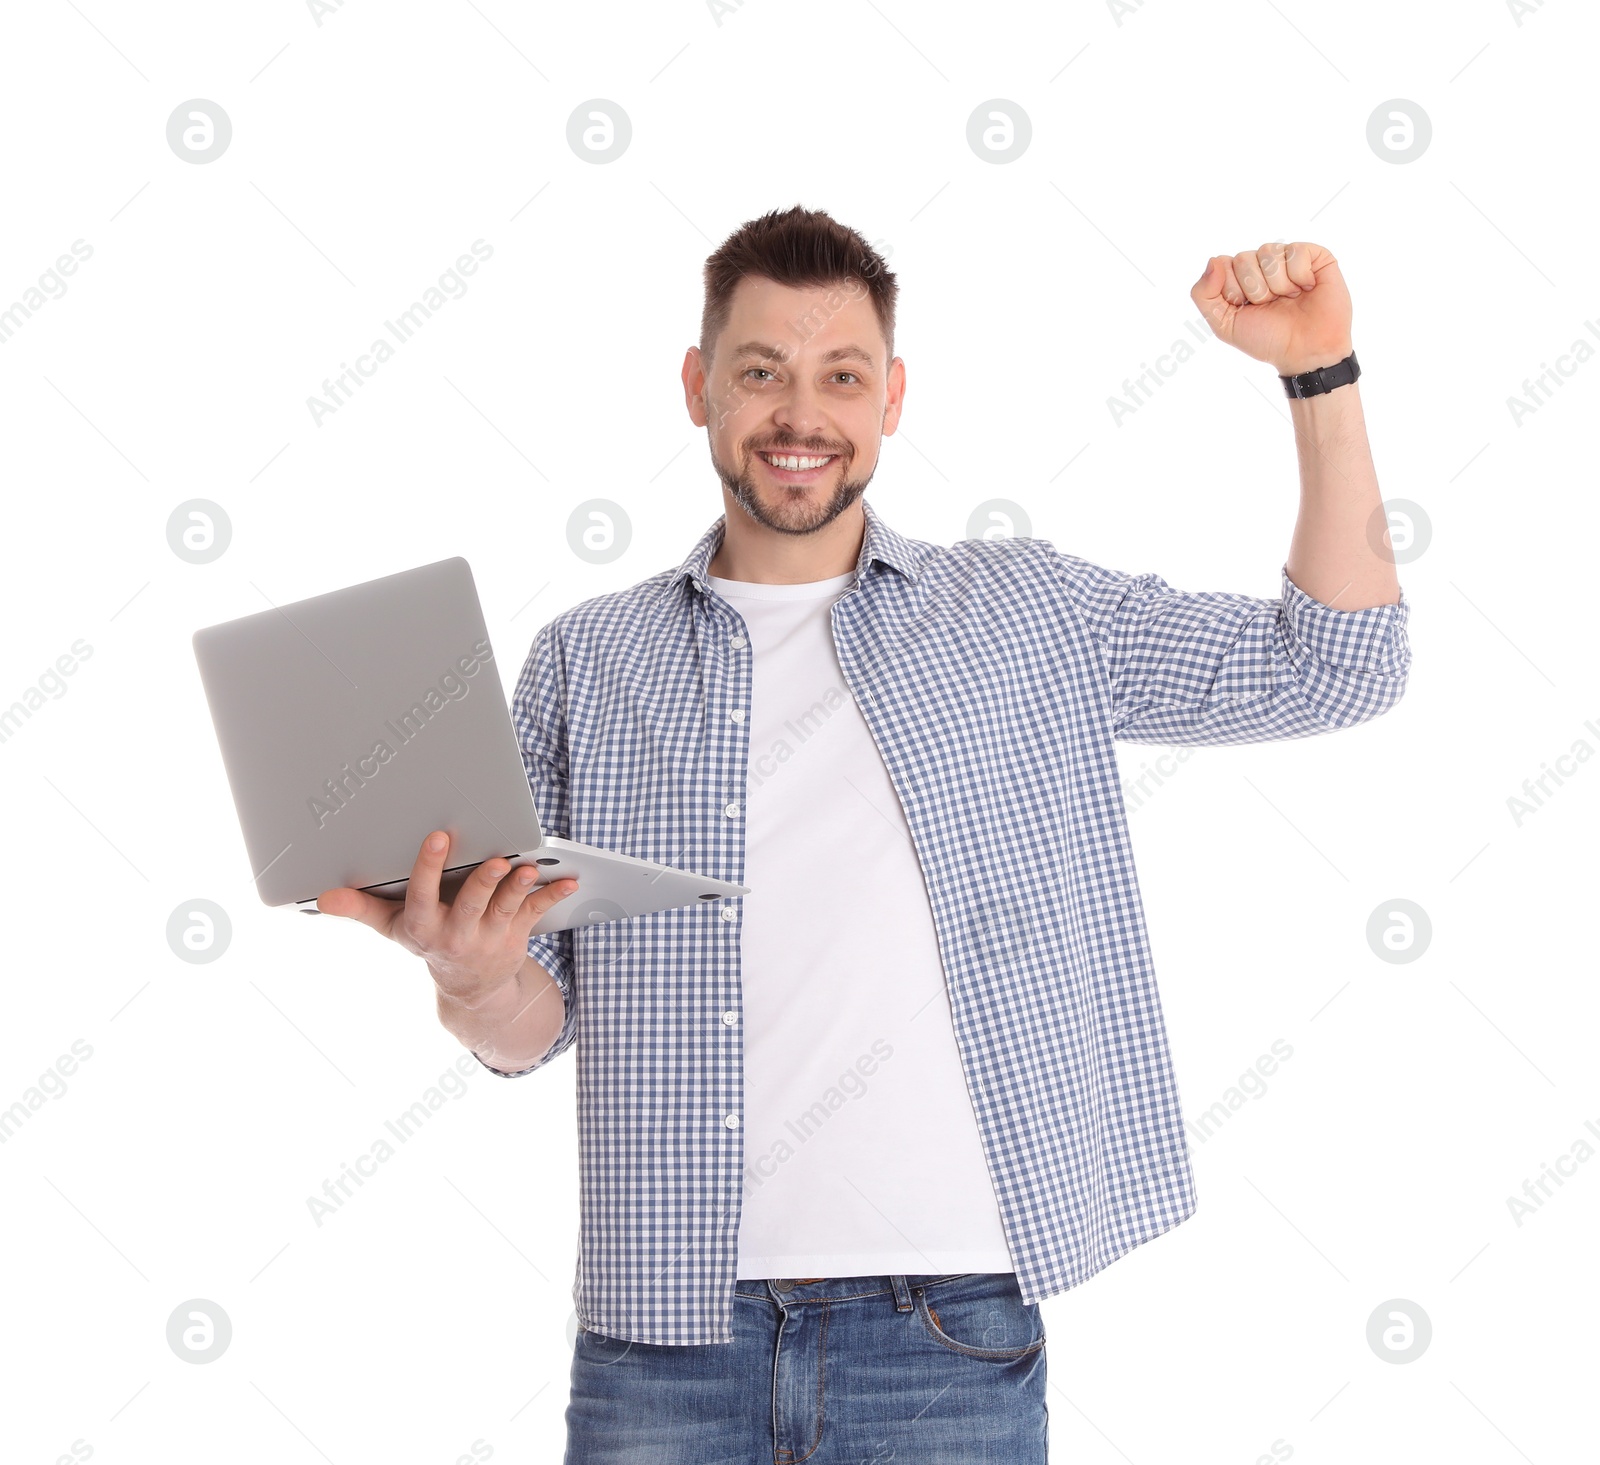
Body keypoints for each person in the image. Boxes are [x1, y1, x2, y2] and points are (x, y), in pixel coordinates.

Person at [319, 205, 1411, 1463]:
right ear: (698, 388)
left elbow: (1338, 667)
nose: (800, 416)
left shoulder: (1022, 613)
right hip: (660, 1348)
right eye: (761, 372)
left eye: (840, 376)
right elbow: (532, 1027)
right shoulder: (587, 661)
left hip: (944, 1338)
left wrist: (1316, 374)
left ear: (891, 398)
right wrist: (471, 974)